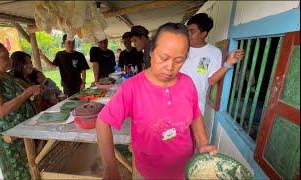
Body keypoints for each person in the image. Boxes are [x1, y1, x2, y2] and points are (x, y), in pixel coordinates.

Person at [96, 23, 218, 179]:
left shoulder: (187, 83)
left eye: (179, 60)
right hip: (148, 172)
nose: (170, 67)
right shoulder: (132, 87)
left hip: (185, 169)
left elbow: (195, 116)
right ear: (151, 52)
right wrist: (111, 169)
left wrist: (203, 144)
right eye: (164, 58)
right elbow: (103, 122)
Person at [0, 41, 42, 179]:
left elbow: (19, 100)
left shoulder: (7, 76)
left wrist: (33, 96)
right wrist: (26, 93)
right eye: (4, 57)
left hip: (25, 134)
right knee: (19, 174)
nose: (9, 60)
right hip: (10, 141)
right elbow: (0, 110)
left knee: (34, 168)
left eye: (8, 56)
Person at [180, 13, 244, 113]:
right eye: (187, 31)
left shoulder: (213, 52)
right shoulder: (181, 47)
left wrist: (228, 63)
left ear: (203, 34)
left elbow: (212, 81)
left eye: (192, 31)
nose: (188, 35)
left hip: (195, 107)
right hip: (173, 101)